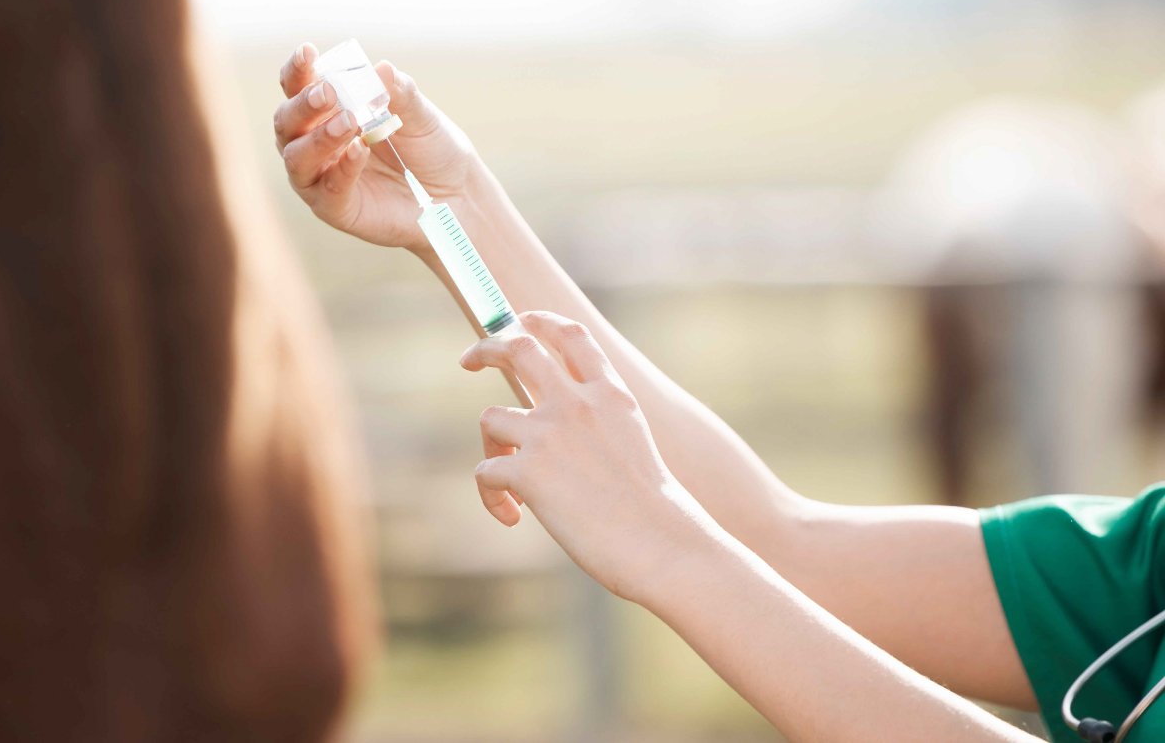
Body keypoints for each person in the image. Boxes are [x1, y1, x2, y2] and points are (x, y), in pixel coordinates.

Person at [271, 43, 1165, 743]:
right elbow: (783, 544)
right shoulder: (1146, 561)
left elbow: (733, 545)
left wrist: (662, 543)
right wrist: (450, 207)